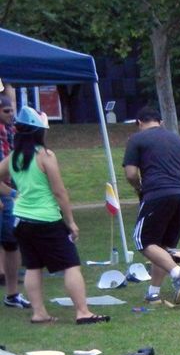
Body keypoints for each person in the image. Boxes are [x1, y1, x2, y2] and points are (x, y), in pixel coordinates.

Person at [0, 106, 109, 324]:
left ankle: (39, 313)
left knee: (33, 266)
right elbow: (59, 192)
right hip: (47, 219)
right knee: (71, 264)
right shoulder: (46, 155)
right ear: (38, 131)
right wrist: (70, 221)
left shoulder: (13, 157)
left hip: (21, 220)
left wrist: (13, 194)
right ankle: (83, 312)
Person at [123, 106, 180, 303]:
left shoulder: (137, 139)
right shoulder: (177, 139)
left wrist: (139, 188)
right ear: (161, 122)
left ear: (139, 123)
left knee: (143, 241)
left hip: (157, 193)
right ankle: (153, 293)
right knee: (162, 246)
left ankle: (178, 272)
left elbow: (130, 173)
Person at [0, 94, 30, 308]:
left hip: (8, 193)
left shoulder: (9, 133)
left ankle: (12, 294)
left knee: (11, 243)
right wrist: (11, 195)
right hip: (5, 194)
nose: (12, 114)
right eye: (6, 111)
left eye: (12, 110)